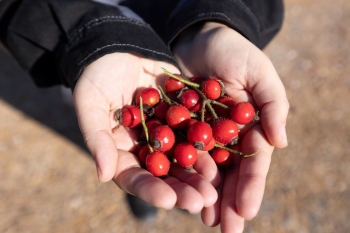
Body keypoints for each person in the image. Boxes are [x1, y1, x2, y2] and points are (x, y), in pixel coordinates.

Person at [0, 0, 289, 232]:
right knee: (106, 131)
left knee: (139, 153)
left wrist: (220, 17)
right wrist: (86, 38)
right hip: (100, 61)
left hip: (182, 24)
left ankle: (171, 191)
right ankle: (142, 188)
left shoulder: (189, 109)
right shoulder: (171, 111)